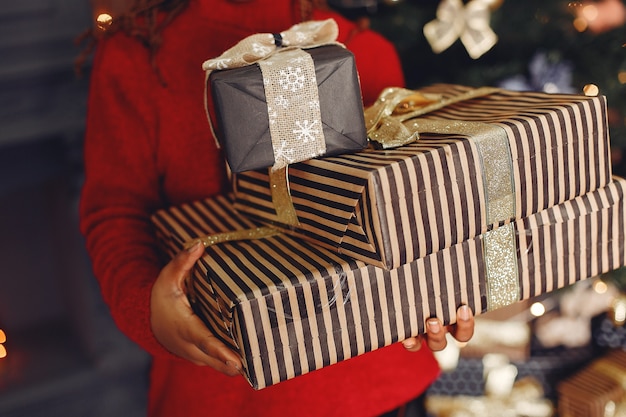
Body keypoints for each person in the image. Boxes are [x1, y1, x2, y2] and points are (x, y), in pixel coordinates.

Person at [78, 1, 475, 416]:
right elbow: (115, 214)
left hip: (380, 383)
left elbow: (399, 208)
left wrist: (435, 291)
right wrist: (150, 310)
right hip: (223, 392)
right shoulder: (137, 53)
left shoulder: (361, 48)